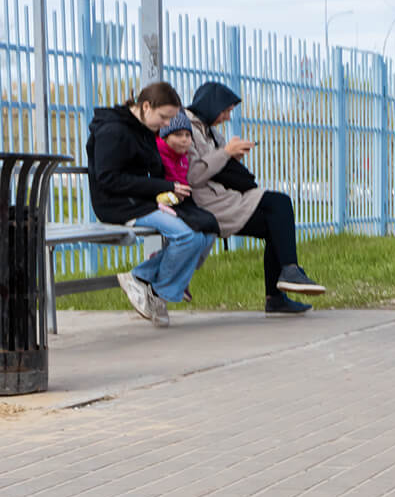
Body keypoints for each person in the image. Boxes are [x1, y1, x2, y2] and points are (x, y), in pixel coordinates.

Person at [184, 82, 328, 315]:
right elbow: (193, 175)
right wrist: (226, 153)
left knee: (277, 222)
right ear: (212, 105)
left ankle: (276, 297)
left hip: (222, 198)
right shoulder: (188, 128)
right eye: (226, 111)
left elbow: (218, 165)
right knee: (279, 203)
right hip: (208, 202)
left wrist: (233, 156)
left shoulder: (207, 129)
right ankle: (288, 272)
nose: (228, 117)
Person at [86, 81, 214, 327]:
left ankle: (143, 278)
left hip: (144, 199)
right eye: (164, 117)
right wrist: (161, 189)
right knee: (187, 237)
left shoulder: (143, 130)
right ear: (146, 106)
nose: (166, 125)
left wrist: (165, 191)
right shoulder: (113, 130)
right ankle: (157, 292)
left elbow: (152, 170)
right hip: (119, 205)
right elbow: (109, 179)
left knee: (205, 232)